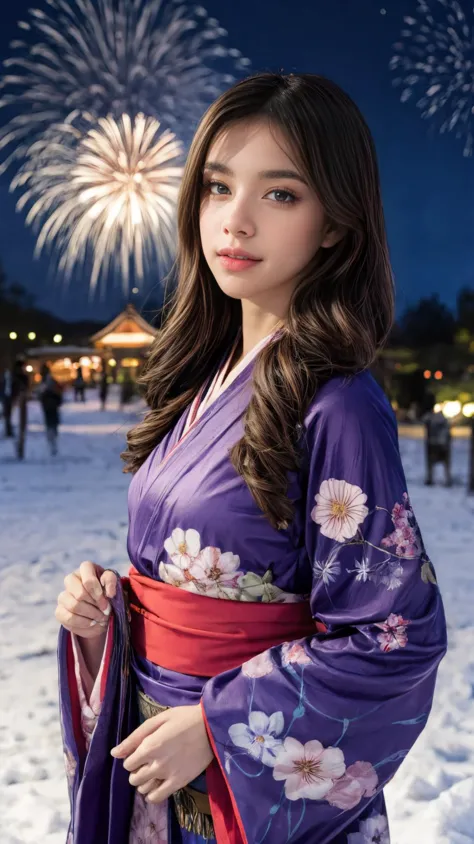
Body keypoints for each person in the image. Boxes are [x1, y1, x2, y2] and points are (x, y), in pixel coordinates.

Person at [55, 73, 446, 844]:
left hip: (245, 783)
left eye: (280, 195)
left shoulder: (339, 405)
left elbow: (392, 636)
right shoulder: (198, 379)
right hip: (156, 764)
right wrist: (103, 619)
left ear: (336, 222)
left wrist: (220, 723)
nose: (235, 221)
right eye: (217, 186)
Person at [422, 392, 452, 487]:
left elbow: (425, 422)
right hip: (442, 443)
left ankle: (431, 478)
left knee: (431, 462)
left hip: (432, 443)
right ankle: (447, 478)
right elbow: (448, 432)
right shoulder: (444, 419)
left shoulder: (429, 417)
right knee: (445, 462)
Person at [39, 364, 63, 455]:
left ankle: (52, 439)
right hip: (50, 406)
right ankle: (52, 439)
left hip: (50, 405)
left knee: (51, 423)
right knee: (52, 423)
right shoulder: (48, 382)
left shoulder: (47, 382)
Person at [0, 364, 14, 437]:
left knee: (8, 415)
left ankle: (9, 430)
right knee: (6, 414)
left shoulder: (12, 380)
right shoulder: (2, 380)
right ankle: (7, 430)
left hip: (9, 398)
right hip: (4, 398)